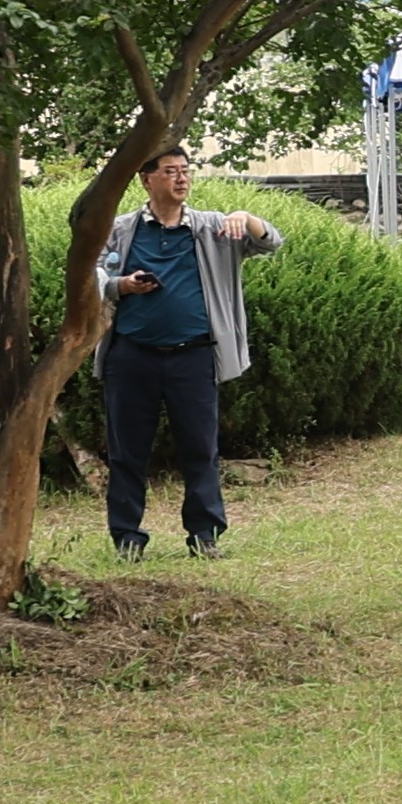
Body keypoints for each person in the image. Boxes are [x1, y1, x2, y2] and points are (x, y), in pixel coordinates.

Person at [97, 150, 282, 558]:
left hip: (194, 356)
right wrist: (121, 285)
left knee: (200, 448)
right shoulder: (122, 229)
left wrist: (243, 215)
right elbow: (90, 273)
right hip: (131, 356)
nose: (181, 179)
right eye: (170, 172)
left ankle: (205, 535)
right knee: (127, 451)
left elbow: (271, 240)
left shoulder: (215, 227)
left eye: (185, 171)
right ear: (146, 180)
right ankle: (127, 537)